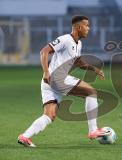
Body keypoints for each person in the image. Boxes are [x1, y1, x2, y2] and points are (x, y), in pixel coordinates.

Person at [17, 15, 107, 147]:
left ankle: (24, 136)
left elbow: (78, 62)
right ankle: (93, 130)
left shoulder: (79, 43)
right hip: (56, 77)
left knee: (49, 116)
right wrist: (46, 71)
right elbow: (44, 51)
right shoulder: (65, 39)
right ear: (79, 27)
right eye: (87, 25)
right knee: (91, 93)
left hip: (50, 83)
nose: (89, 28)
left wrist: (94, 69)